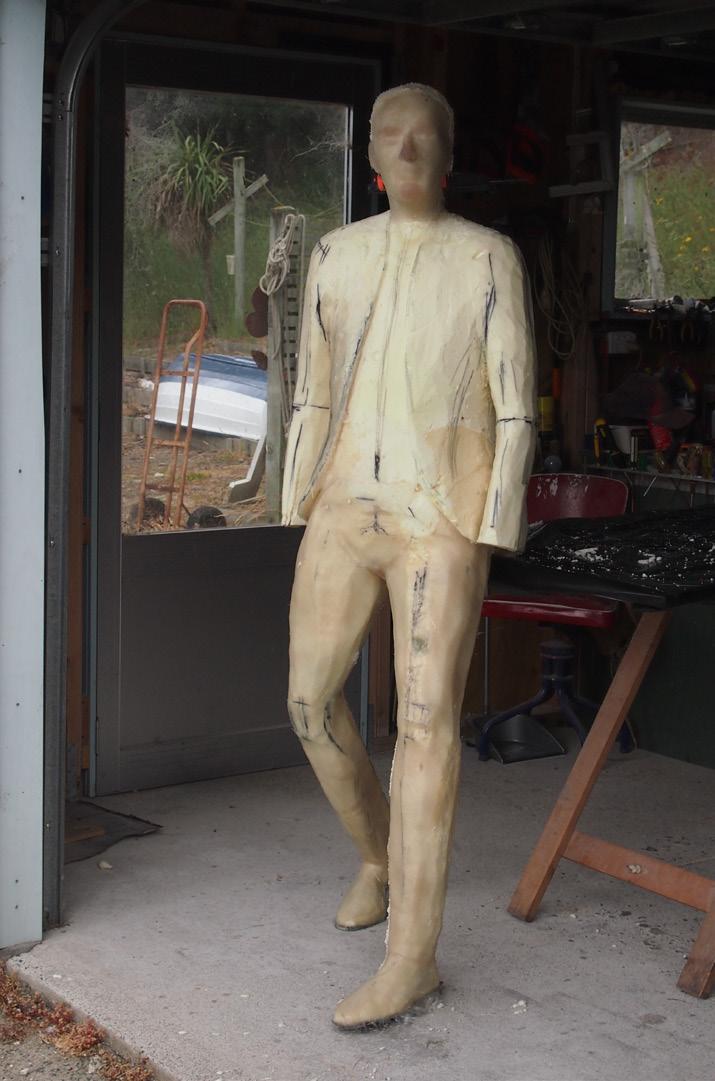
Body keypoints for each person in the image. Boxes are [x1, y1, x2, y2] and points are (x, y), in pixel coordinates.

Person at [282, 82, 536, 1029]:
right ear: (372, 158)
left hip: (440, 513)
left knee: (426, 726)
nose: (408, 148)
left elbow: (516, 404)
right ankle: (379, 858)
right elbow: (311, 388)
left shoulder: (485, 255)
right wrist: (298, 495)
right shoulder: (335, 254)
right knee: (309, 702)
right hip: (344, 501)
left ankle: (413, 958)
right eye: (391, 136)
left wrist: (491, 521)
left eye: (425, 135)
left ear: (448, 153)